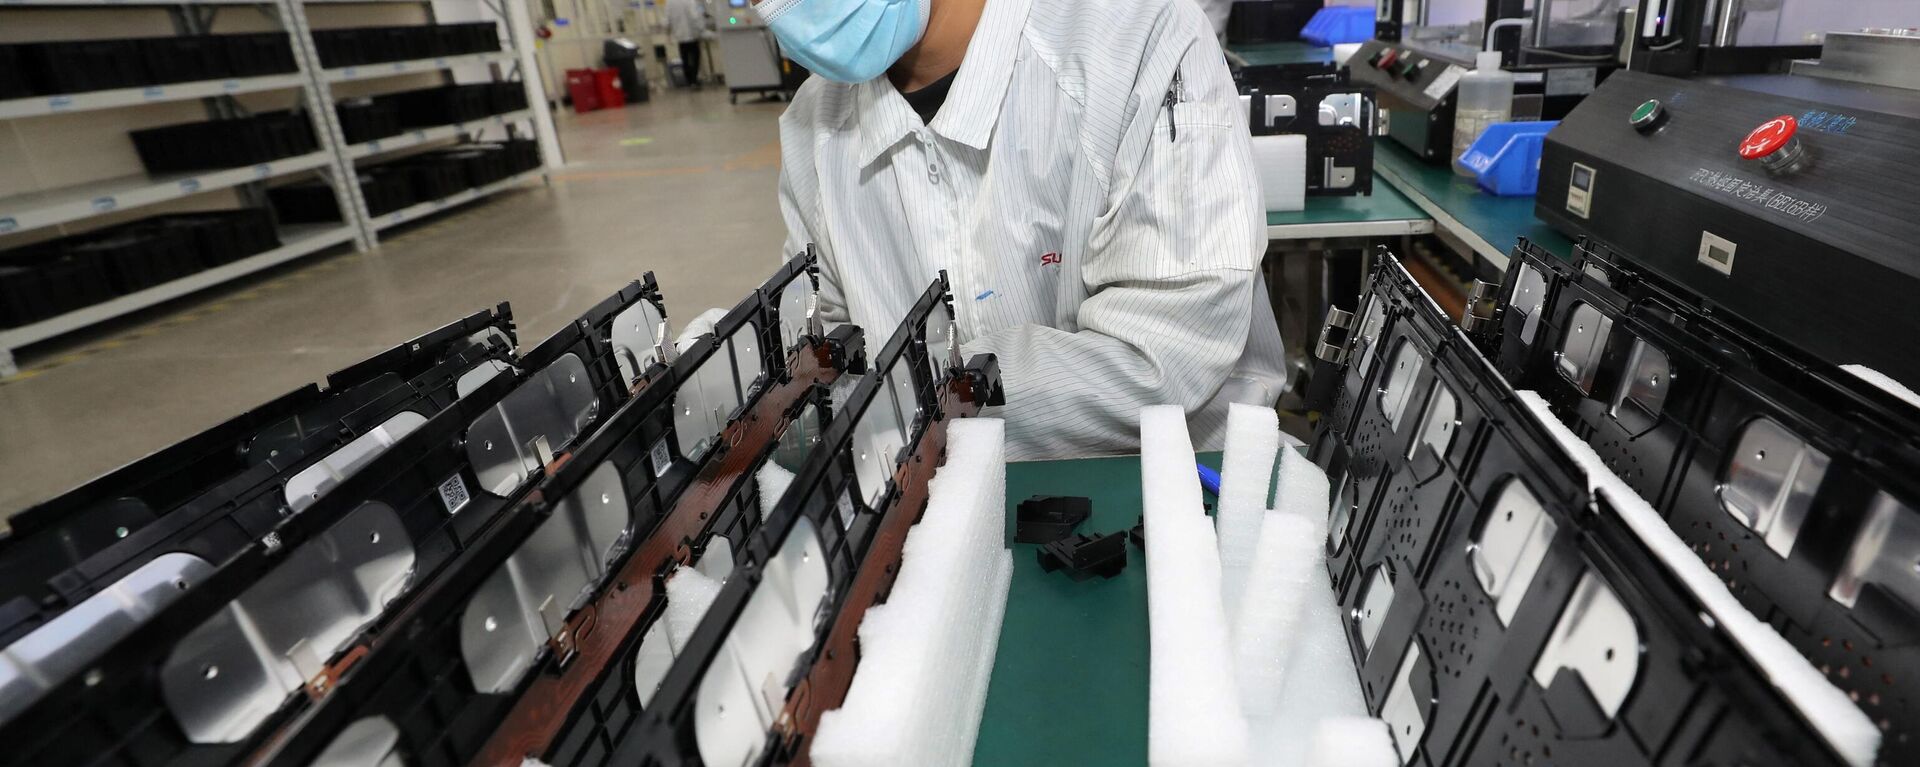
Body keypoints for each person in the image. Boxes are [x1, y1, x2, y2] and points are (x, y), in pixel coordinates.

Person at [752, 0, 1286, 459]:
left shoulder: (1136, 35)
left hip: (1178, 498)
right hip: (927, 510)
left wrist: (916, 398)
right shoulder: (814, 123)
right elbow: (822, 341)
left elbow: (1169, 353)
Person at [666, 0, 708, 87]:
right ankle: (694, 79)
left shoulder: (670, 2)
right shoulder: (690, 1)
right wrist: (701, 30)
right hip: (692, 35)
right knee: (695, 58)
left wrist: (668, 34)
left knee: (685, 58)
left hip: (680, 36)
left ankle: (690, 80)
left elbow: (667, 19)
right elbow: (695, 17)